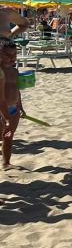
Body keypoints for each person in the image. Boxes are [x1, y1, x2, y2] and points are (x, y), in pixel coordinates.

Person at [0, 38, 24, 168]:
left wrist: (20, 105)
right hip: (1, 109)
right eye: (8, 55)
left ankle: (6, 163)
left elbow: (17, 90)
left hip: (13, 109)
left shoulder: (15, 71)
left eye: (14, 55)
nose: (12, 58)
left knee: (8, 137)